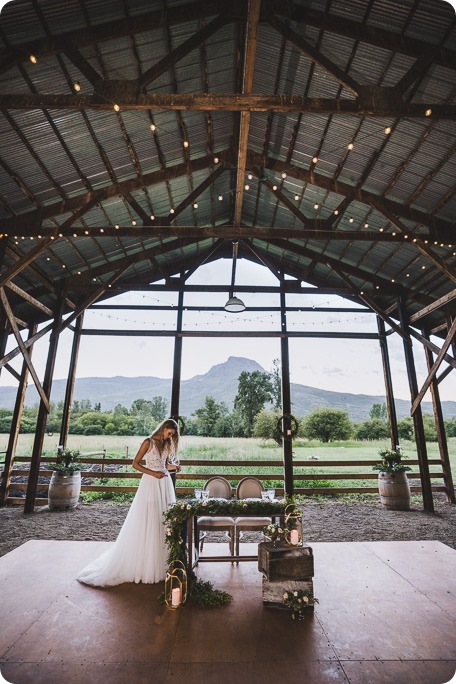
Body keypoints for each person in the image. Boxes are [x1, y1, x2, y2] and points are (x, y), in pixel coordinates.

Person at [77, 418, 180, 587]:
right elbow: (135, 464)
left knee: (163, 519)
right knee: (150, 517)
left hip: (164, 484)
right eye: (169, 433)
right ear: (164, 428)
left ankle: (161, 562)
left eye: (172, 435)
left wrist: (174, 467)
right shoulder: (149, 442)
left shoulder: (167, 445)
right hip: (151, 483)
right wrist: (153, 474)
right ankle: (145, 564)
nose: (170, 436)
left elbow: (164, 465)